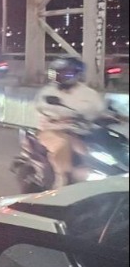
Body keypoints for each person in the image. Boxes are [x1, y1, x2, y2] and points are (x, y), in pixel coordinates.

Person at [35, 57, 107, 188]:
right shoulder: (48, 92)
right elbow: (43, 108)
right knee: (64, 143)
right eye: (58, 73)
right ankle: (61, 180)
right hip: (52, 131)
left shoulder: (89, 93)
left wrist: (112, 116)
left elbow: (99, 109)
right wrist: (62, 117)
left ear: (78, 74)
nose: (61, 76)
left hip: (82, 132)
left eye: (66, 73)